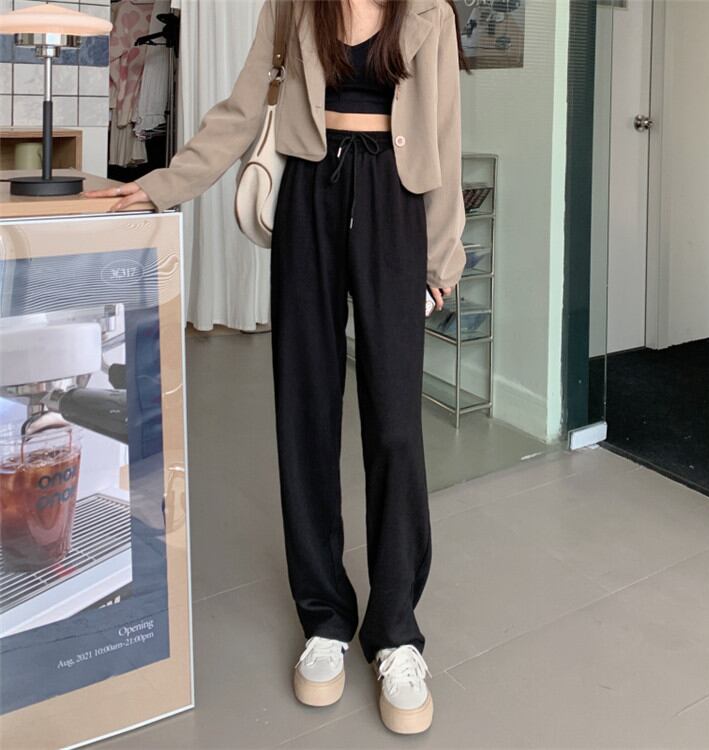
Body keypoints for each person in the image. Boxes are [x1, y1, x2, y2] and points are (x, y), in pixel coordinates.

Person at [86, 0, 469, 735]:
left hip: (396, 203)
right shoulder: (294, 4)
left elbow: (446, 137)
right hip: (310, 196)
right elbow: (241, 108)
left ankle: (395, 632)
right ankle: (324, 619)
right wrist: (164, 184)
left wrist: (442, 257)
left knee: (395, 425)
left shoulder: (429, 11)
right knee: (305, 412)